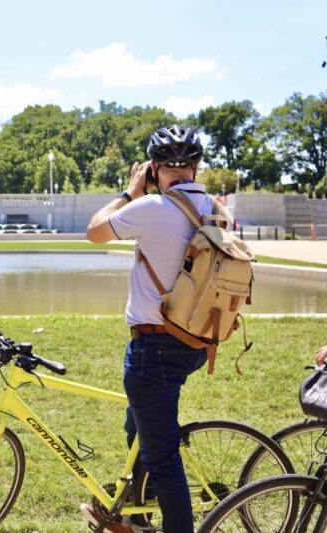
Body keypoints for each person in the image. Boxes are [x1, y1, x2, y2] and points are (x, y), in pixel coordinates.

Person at [83, 125, 213, 533]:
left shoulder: (152, 206)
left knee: (162, 458)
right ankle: (136, 514)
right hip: (192, 341)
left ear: (154, 169)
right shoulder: (212, 206)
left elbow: (94, 232)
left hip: (154, 348)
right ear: (196, 168)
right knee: (136, 424)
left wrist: (129, 192)